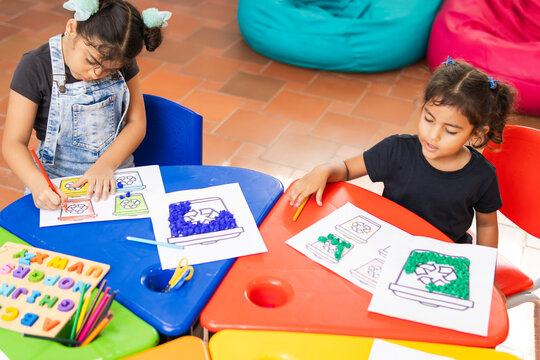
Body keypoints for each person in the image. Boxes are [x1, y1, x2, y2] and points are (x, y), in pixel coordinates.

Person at [289, 57, 515, 248]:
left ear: (475, 133)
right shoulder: (395, 150)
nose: (433, 135)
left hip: (442, 256)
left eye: (451, 130)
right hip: (389, 244)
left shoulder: (482, 175)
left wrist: (484, 267)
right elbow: (347, 169)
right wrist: (322, 170)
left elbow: (486, 225)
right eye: (429, 119)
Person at [2, 0, 171, 210]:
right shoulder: (35, 67)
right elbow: (13, 143)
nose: (96, 73)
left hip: (114, 173)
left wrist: (106, 165)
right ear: (71, 28)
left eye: (110, 69)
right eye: (92, 61)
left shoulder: (119, 56)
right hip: (56, 185)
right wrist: (37, 184)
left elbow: (137, 123)